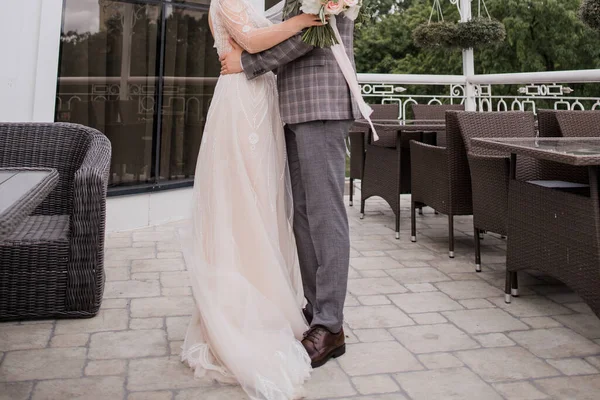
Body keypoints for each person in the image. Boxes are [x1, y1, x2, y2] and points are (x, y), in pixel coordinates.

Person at [179, 1, 327, 399]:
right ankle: (239, 310)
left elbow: (262, 43)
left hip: (262, 96)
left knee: (264, 201)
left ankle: (268, 300)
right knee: (240, 201)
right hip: (241, 100)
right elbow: (251, 38)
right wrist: (304, 18)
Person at [220, 0, 360, 369]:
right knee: (302, 215)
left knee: (325, 215)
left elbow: (316, 32)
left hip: (323, 102)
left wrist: (248, 64)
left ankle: (330, 325)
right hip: (294, 105)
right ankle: (316, 312)